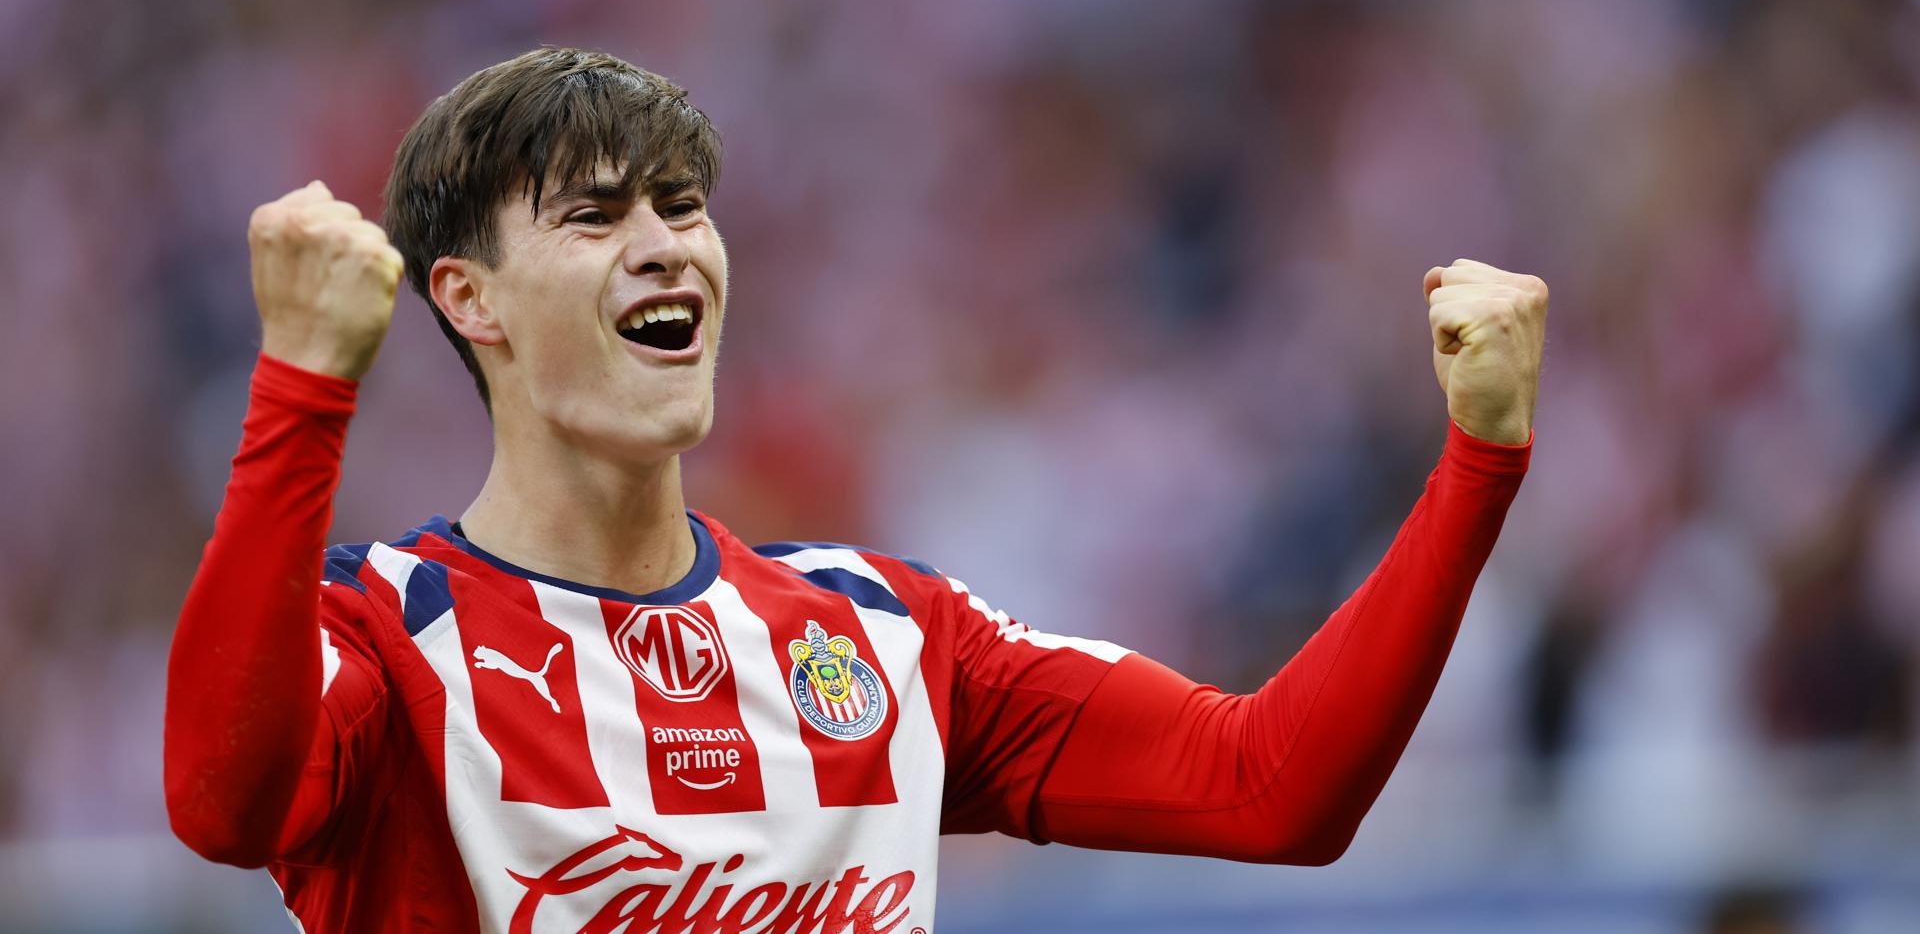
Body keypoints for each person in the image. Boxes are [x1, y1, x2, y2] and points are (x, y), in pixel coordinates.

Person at [163, 47, 1547, 933]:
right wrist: (303, 385)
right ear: (468, 300)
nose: (664, 249)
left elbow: (1272, 790)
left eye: (682, 207)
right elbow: (223, 803)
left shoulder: (883, 638)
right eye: (595, 217)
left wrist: (1478, 461)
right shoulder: (387, 641)